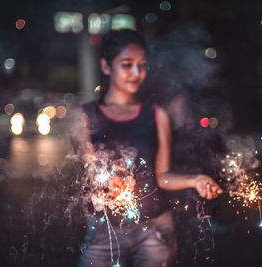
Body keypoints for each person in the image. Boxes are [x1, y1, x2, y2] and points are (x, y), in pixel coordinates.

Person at [74, 29, 223, 267]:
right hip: (105, 230)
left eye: (142, 65)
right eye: (127, 64)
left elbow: (162, 177)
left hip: (155, 230)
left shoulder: (156, 115)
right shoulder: (86, 116)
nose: (136, 73)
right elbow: (90, 166)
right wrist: (109, 180)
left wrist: (195, 180)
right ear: (106, 66)